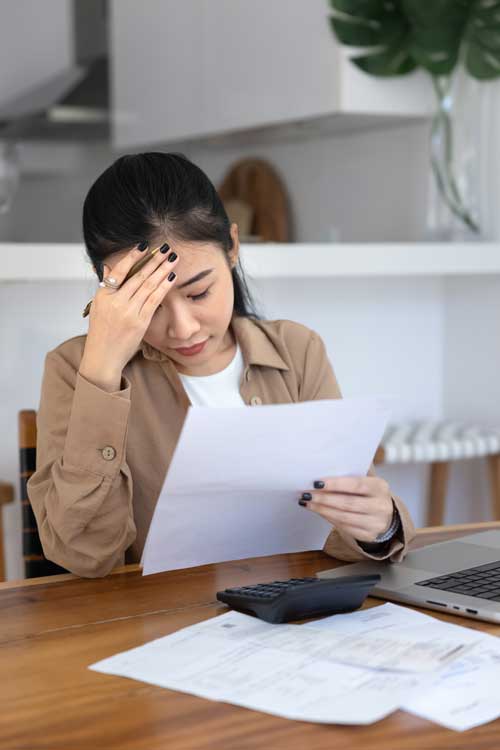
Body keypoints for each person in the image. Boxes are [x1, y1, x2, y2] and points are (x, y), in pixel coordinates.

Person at [27, 152, 415, 578]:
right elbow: (85, 556)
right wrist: (101, 370)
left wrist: (379, 526)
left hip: (294, 613)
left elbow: (344, 532)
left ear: (232, 247)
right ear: (110, 286)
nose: (183, 328)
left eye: (199, 293)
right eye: (150, 304)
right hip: (158, 623)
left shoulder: (297, 351)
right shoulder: (73, 369)